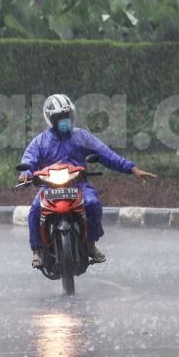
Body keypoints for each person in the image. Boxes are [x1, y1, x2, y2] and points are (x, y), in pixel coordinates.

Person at [19, 94, 157, 268]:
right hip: (49, 187)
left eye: (67, 116)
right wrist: (25, 173)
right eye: (60, 117)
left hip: (78, 185)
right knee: (35, 210)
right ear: (51, 119)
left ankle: (91, 244)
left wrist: (132, 169)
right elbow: (28, 159)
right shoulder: (40, 142)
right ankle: (37, 251)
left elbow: (106, 154)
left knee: (92, 203)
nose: (65, 120)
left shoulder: (82, 137)